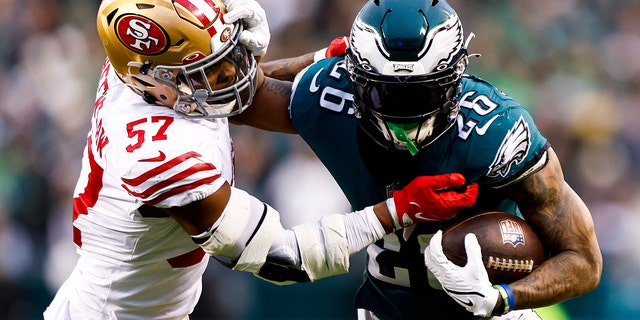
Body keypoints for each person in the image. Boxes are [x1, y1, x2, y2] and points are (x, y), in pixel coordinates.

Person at [43, 0, 481, 318]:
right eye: (213, 69)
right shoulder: (160, 159)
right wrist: (396, 210)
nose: (233, 71)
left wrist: (310, 63)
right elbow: (284, 258)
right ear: (157, 84)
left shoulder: (144, 71)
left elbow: (219, 92)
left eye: (228, 54)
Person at [232, 0, 603, 318]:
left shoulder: (495, 131)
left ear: (456, 76)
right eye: (383, 93)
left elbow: (584, 260)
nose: (401, 113)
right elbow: (231, 100)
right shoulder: (330, 94)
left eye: (421, 94)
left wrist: (501, 298)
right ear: (354, 76)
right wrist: (313, 60)